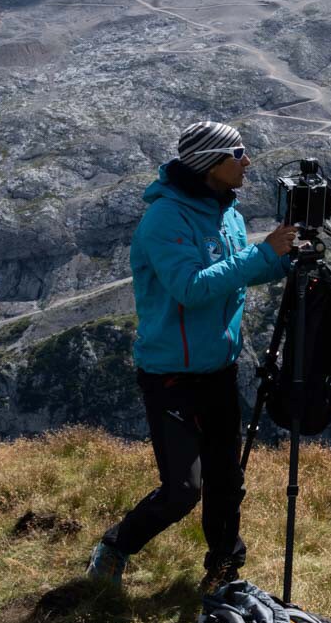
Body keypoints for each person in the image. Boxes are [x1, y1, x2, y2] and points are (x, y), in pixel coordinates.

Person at [88, 121, 298, 591]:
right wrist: (260, 254)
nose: (248, 162)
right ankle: (116, 546)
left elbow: (233, 275)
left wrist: (281, 260)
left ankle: (223, 572)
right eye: (238, 154)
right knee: (183, 489)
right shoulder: (164, 219)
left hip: (218, 368)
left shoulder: (226, 212)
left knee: (227, 481)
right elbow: (190, 288)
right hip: (171, 375)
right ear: (211, 163)